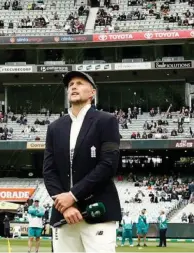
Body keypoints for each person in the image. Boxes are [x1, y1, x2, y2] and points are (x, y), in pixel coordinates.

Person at [43, 71, 121, 253]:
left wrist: (73, 196)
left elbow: (108, 165)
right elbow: (48, 171)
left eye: (79, 83)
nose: (74, 87)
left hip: (97, 212)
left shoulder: (106, 121)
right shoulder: (54, 128)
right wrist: (65, 206)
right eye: (70, 85)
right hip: (64, 216)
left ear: (92, 92)